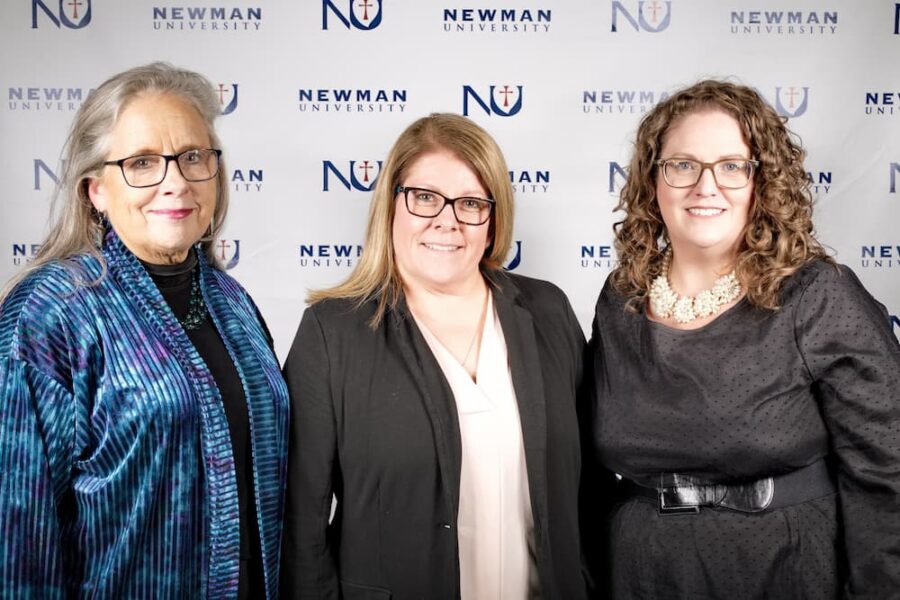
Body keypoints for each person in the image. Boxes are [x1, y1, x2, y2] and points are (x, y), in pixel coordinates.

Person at [587, 79, 900, 598]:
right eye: (683, 164)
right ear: (653, 181)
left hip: (784, 567)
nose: (705, 187)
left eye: (732, 166)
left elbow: (889, 471)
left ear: (763, 182)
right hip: (642, 571)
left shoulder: (816, 293)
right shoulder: (621, 298)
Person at [0, 63, 289, 599]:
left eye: (193, 157)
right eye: (141, 163)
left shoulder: (233, 302)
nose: (175, 181)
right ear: (96, 190)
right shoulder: (51, 312)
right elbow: (18, 538)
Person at [281, 113, 588, 599]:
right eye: (424, 198)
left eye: (469, 203)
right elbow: (301, 521)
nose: (446, 220)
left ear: (493, 219)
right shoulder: (332, 333)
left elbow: (586, 488)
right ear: (391, 206)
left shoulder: (548, 311)